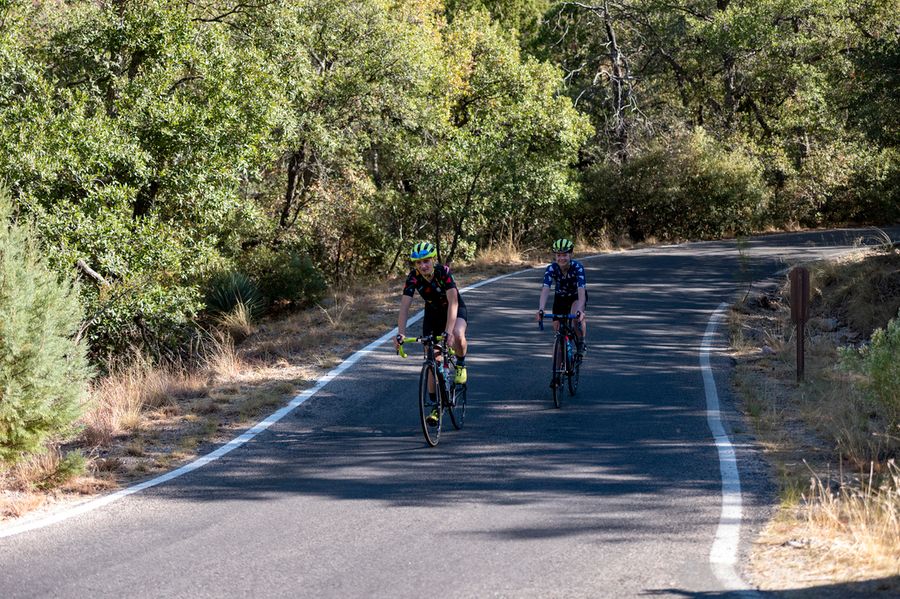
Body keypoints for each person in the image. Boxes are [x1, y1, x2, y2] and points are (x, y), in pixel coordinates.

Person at [394, 241, 469, 424]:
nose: (423, 266)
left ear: (433, 260)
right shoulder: (413, 278)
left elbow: (454, 302)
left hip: (454, 311)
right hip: (433, 316)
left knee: (458, 335)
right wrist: (400, 334)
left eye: (426, 261)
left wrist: (449, 332)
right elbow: (404, 308)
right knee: (431, 359)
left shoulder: (444, 272)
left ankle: (460, 364)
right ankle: (436, 406)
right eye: (418, 263)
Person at [536, 238, 587, 358]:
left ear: (571, 254)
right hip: (560, 299)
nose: (561, 258)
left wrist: (581, 310)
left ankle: (581, 342)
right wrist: (541, 309)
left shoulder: (578, 268)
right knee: (558, 331)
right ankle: (557, 374)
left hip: (576, 297)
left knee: (576, 318)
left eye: (565, 255)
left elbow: (581, 290)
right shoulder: (551, 268)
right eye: (558, 255)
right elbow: (545, 289)